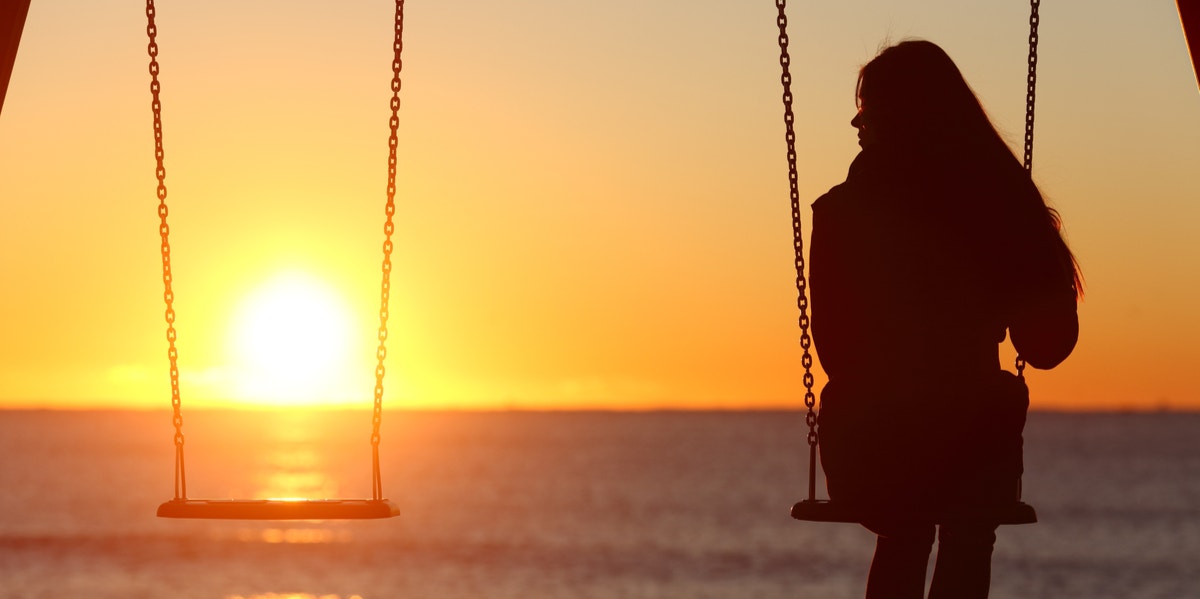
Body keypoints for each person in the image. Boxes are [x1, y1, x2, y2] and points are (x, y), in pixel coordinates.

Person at [809, 40, 1081, 599]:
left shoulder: (839, 213)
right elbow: (1048, 345)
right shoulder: (999, 206)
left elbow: (834, 345)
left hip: (873, 442)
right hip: (972, 442)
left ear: (898, 116)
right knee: (968, 525)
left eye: (868, 106)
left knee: (906, 529)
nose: (855, 120)